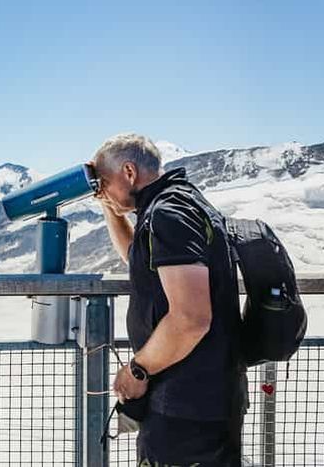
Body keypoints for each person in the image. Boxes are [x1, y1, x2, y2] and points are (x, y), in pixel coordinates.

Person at [90, 133, 246, 466]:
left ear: (129, 173)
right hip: (199, 403)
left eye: (104, 182)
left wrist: (137, 371)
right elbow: (137, 257)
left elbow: (190, 319)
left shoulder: (169, 214)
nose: (102, 190)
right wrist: (110, 207)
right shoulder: (177, 204)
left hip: (187, 411)